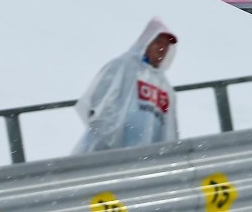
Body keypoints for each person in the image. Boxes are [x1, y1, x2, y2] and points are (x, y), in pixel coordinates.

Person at [72, 17, 179, 154]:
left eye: (166, 45)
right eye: (158, 41)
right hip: (108, 155)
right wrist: (107, 141)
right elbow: (99, 104)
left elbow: (169, 128)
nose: (162, 48)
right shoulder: (124, 66)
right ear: (146, 41)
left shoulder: (165, 88)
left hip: (146, 160)